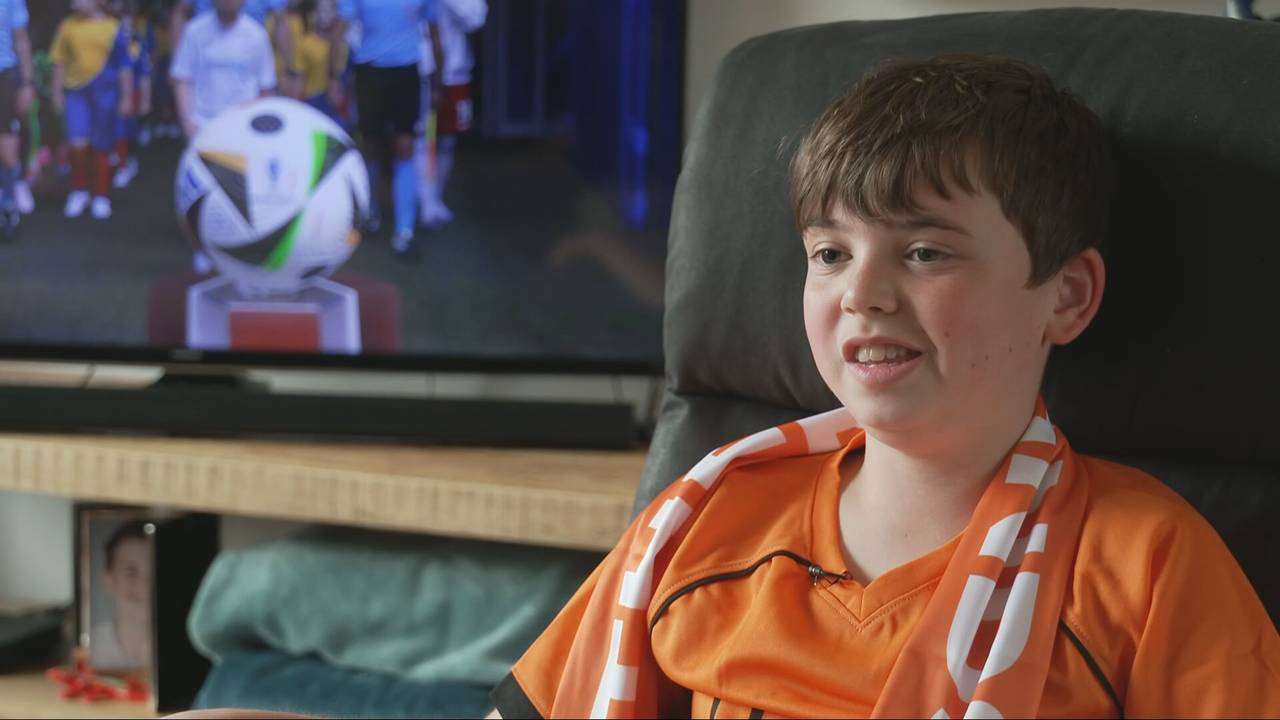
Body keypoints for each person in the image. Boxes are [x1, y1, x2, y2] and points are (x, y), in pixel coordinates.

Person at [485, 56, 1280, 718]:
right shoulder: (708, 515)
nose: (861, 294)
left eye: (926, 252)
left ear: (1066, 296)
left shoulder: (1148, 562)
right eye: (830, 254)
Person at [330, 0, 442, 254]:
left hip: (407, 72)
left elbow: (435, 31)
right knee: (370, 146)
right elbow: (339, 29)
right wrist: (334, 76)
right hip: (369, 72)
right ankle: (370, 213)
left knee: (405, 147)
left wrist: (438, 81)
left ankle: (404, 231)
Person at [50, 0, 133, 221]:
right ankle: (79, 191)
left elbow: (125, 66)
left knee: (102, 146)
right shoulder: (67, 25)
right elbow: (59, 61)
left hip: (106, 96)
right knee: (77, 143)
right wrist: (57, 93)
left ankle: (101, 195)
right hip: (76, 95)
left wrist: (126, 97)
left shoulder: (114, 27)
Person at [415, 0, 482, 229]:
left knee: (447, 141)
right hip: (420, 68)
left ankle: (436, 198)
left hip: (455, 71)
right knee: (422, 140)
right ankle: (425, 203)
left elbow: (476, 19)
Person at [170, 0, 296, 97]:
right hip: (205, 52)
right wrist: (177, 62)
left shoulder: (257, 35)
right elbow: (180, 12)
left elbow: (280, 22)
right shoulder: (195, 30)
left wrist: (288, 69)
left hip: (249, 53)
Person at [89, 520, 152, 671]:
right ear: (109, 581)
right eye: (131, 572)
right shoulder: (92, 647)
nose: (145, 584)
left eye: (153, 571)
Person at [109, 0, 151, 189]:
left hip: (131, 94)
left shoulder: (139, 47)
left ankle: (126, 164)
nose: (125, 29)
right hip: (109, 94)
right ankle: (117, 157)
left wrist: (145, 100)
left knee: (124, 131)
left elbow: (144, 76)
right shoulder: (111, 44)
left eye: (128, 25)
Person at [0, 0, 31, 241]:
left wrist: (27, 83)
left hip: (4, 75)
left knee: (7, 148)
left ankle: (9, 204)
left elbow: (21, 39)